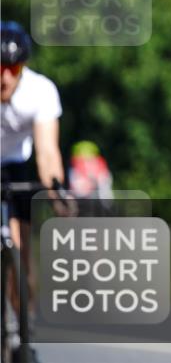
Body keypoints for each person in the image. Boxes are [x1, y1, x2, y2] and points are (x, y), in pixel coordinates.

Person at [1, 21, 66, 335]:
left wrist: (56, 194)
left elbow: (47, 152)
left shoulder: (40, 91)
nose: (4, 77)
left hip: (18, 165)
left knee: (20, 245)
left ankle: (21, 324)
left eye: (12, 69)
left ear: (22, 67)